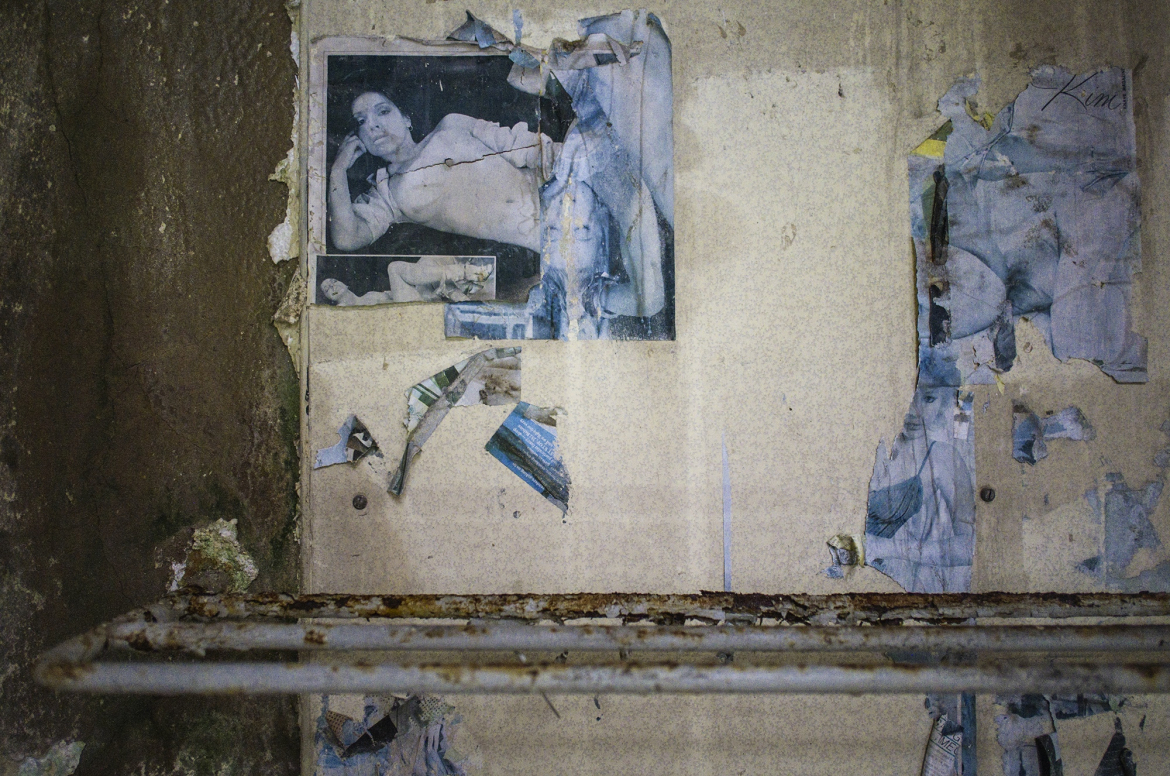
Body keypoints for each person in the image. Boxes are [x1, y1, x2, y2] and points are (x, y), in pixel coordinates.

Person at [328, 91, 556, 253]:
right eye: (361, 121)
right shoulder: (386, 193)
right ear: (358, 138)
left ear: (406, 118)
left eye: (383, 111)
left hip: (557, 187)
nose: (372, 125)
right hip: (546, 240)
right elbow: (347, 238)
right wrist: (338, 171)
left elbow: (528, 148)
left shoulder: (451, 125)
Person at [319, 258, 493, 305]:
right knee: (394, 268)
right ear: (330, 298)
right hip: (403, 323)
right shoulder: (342, 311)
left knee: (425, 263)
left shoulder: (367, 296)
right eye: (327, 289)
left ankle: (462, 299)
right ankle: (465, 272)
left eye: (333, 281)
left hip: (409, 308)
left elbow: (402, 294)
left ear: (345, 283)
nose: (332, 286)